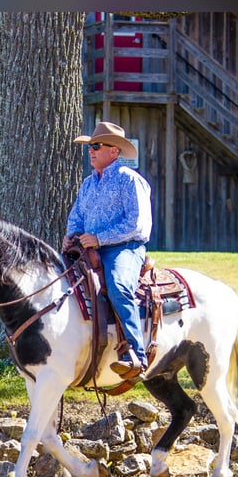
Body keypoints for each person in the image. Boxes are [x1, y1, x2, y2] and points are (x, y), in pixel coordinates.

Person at [63, 121, 152, 380]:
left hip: (124, 248)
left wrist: (99, 238)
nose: (90, 151)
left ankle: (136, 353)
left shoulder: (130, 180)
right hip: (88, 248)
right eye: (90, 146)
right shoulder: (88, 184)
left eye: (96, 146)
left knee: (118, 286)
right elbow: (76, 216)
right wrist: (71, 237)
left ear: (114, 151)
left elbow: (137, 224)